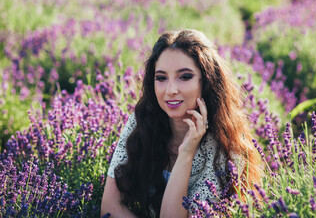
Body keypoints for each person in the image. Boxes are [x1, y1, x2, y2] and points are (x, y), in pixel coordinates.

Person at [101, 29, 262, 218]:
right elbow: (109, 207)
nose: (170, 90)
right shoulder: (142, 122)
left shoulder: (227, 148)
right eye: (161, 78)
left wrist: (186, 152)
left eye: (184, 77)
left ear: (207, 81)